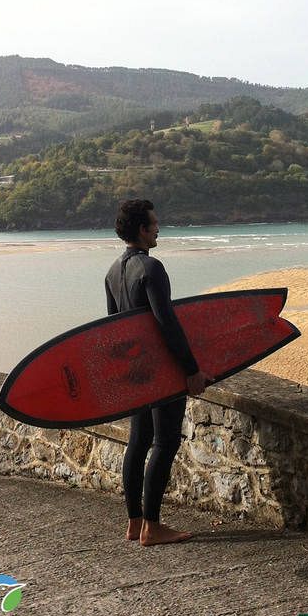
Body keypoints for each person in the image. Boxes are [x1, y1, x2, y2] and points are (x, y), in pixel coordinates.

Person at [105, 199, 212, 546]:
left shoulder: (112, 273)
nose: (158, 228)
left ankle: (135, 522)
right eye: (154, 223)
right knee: (165, 443)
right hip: (161, 373)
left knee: (137, 443)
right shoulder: (151, 269)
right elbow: (168, 323)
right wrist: (192, 370)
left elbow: (113, 331)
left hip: (135, 374)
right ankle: (153, 525)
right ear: (142, 229)